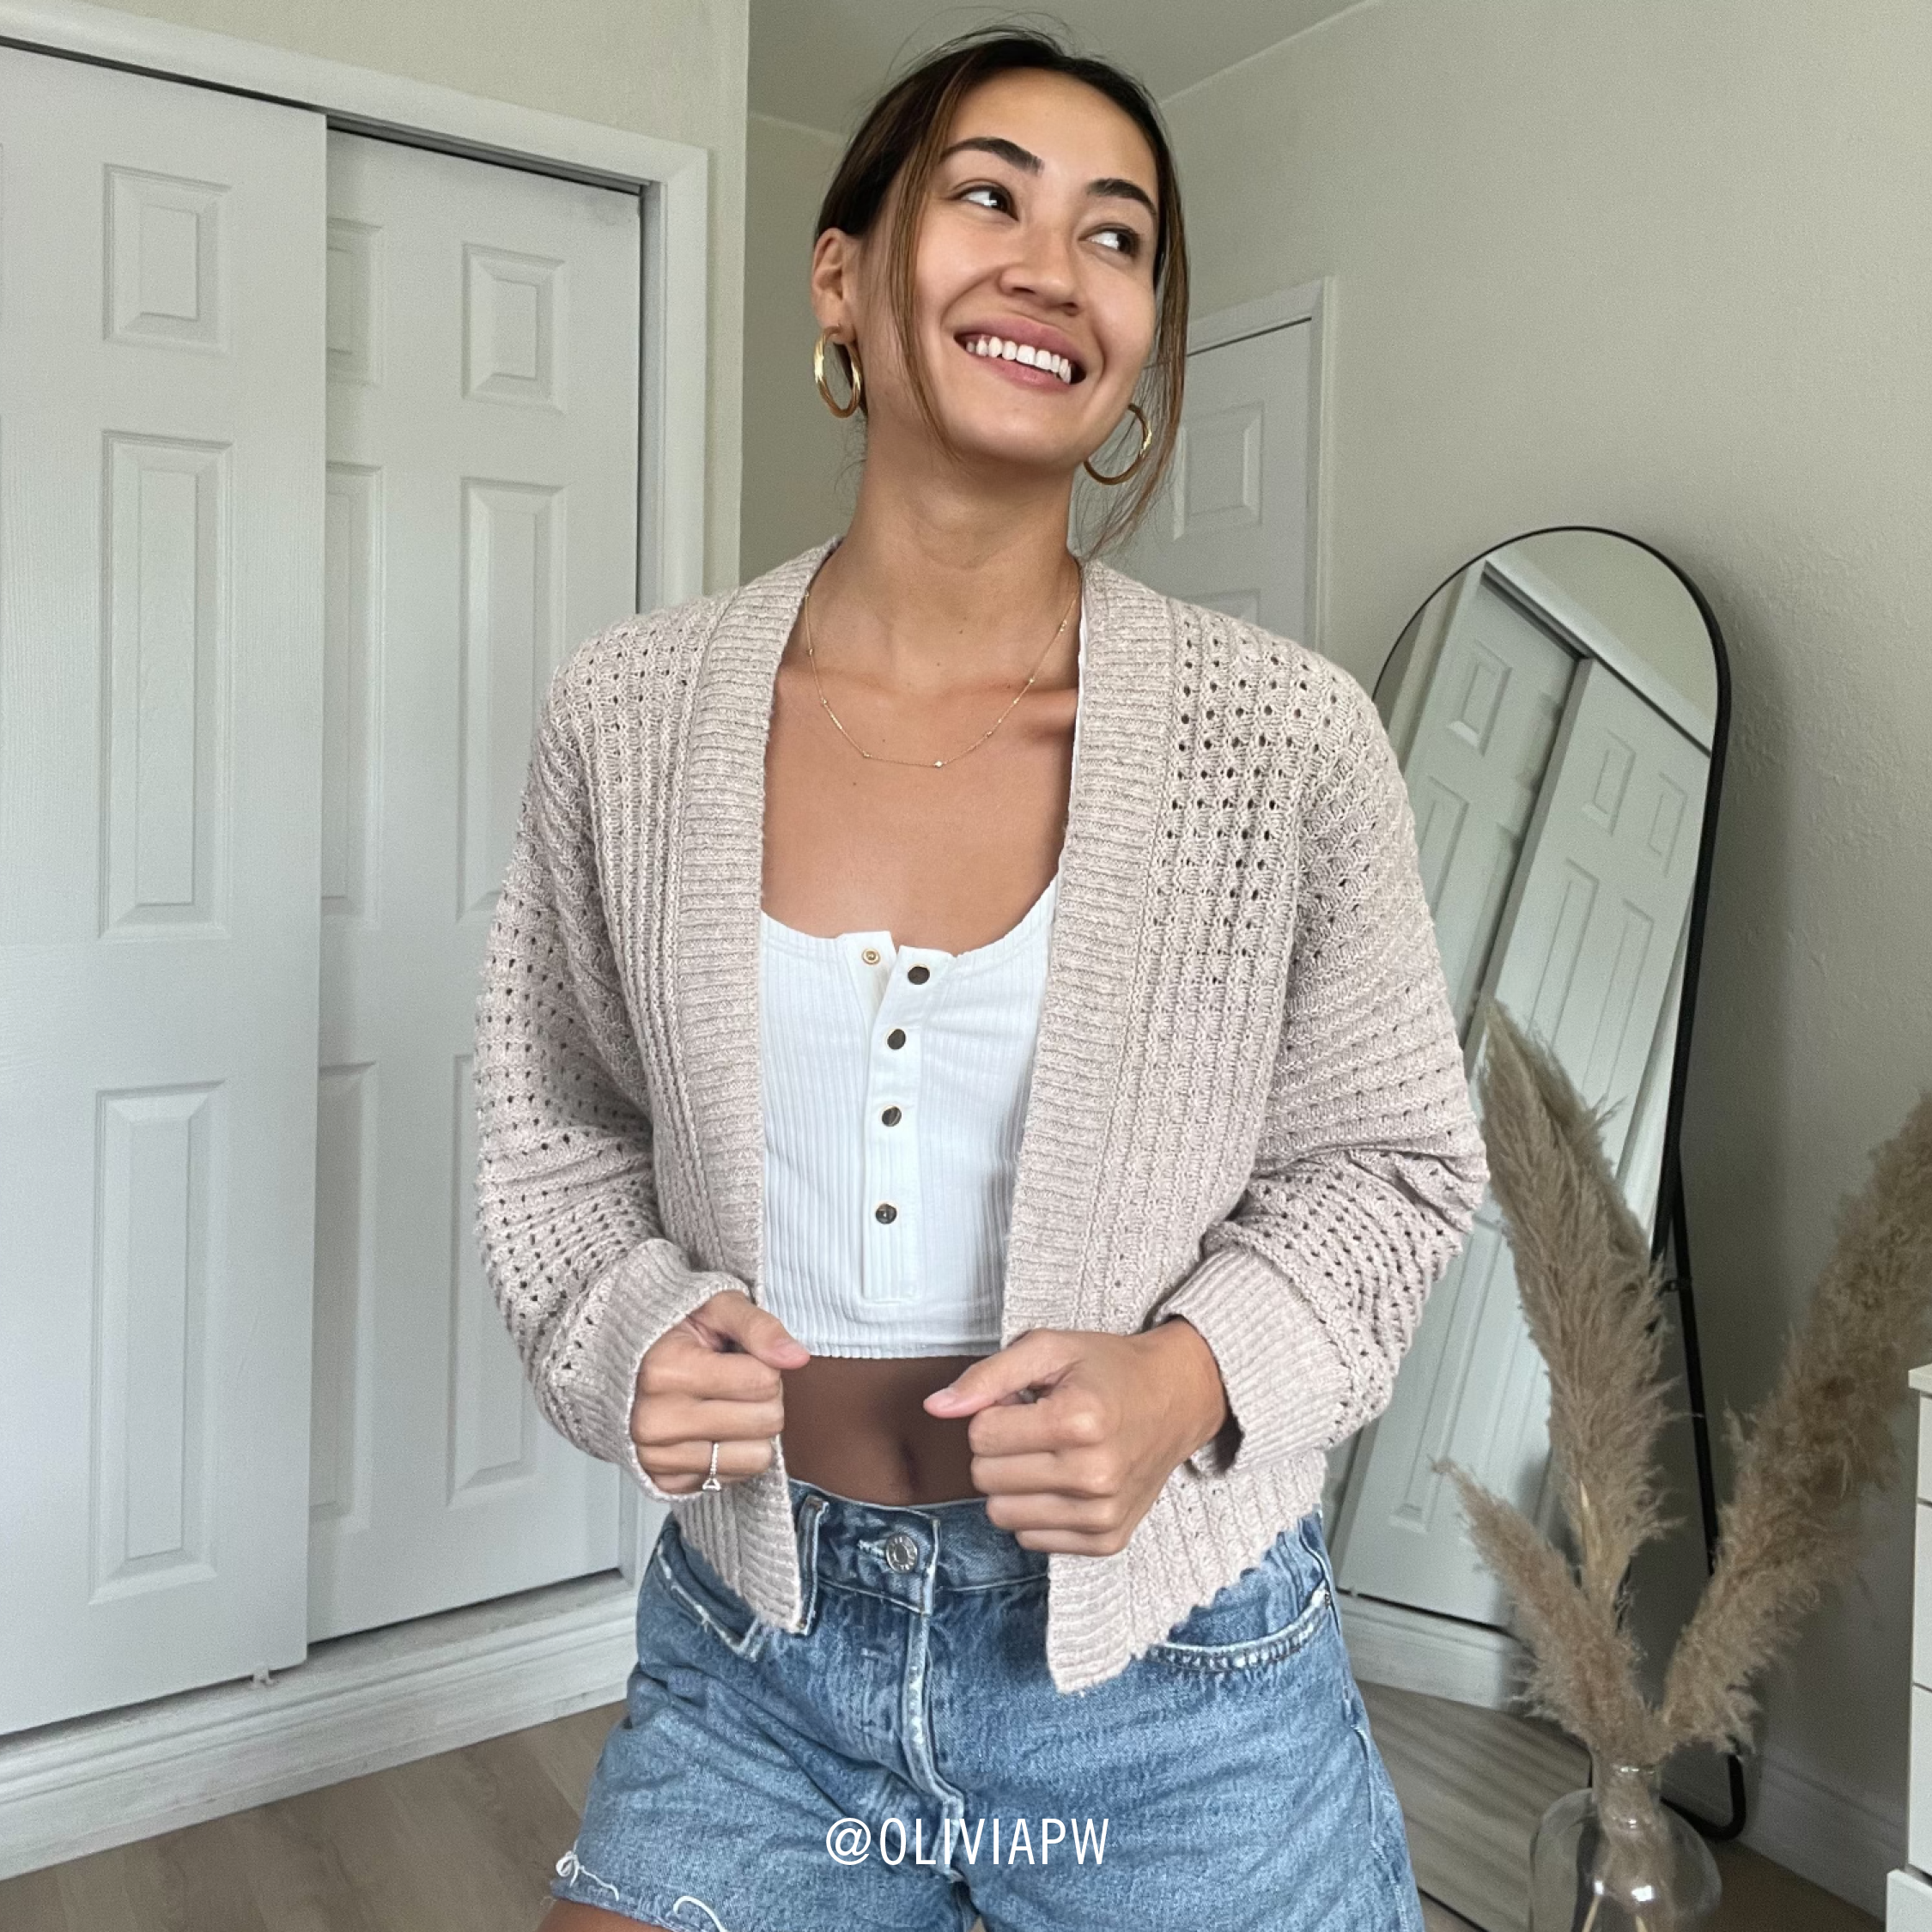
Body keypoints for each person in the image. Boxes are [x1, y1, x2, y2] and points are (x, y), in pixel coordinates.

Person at [473, 27, 1490, 1932]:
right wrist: (628, 1333)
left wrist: (1190, 1377)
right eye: (986, 197)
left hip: (1179, 1676)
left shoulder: (1285, 740)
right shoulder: (629, 713)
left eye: (1117, 236)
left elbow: (1393, 1169)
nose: (1052, 266)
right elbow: (559, 1128)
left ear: (1143, 343)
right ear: (841, 276)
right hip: (761, 1659)